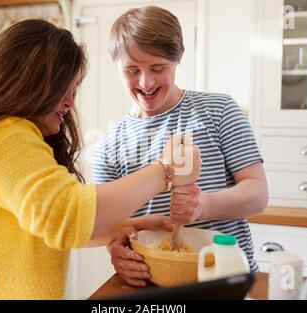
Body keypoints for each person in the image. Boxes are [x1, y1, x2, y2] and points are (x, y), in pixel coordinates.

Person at [0, 19, 201, 299]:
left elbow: (52, 225)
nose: (71, 102)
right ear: (30, 81)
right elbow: (69, 216)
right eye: (65, 88)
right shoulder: (3, 133)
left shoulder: (1, 134)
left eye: (75, 90)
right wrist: (164, 171)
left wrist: (135, 225)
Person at [92, 6, 269, 287]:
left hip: (226, 281)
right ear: (116, 65)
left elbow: (258, 194)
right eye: (132, 70)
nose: (145, 82)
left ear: (178, 57)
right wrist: (115, 251)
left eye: (157, 68)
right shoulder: (108, 147)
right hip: (153, 287)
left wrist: (203, 206)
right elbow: (113, 228)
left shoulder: (219, 111)